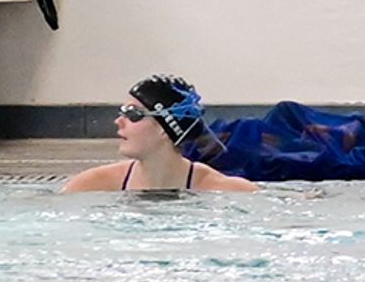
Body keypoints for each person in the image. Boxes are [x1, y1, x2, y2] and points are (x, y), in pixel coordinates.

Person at [60, 75, 257, 194]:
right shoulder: (91, 185)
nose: (118, 121)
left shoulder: (224, 190)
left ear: (165, 128)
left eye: (132, 114)